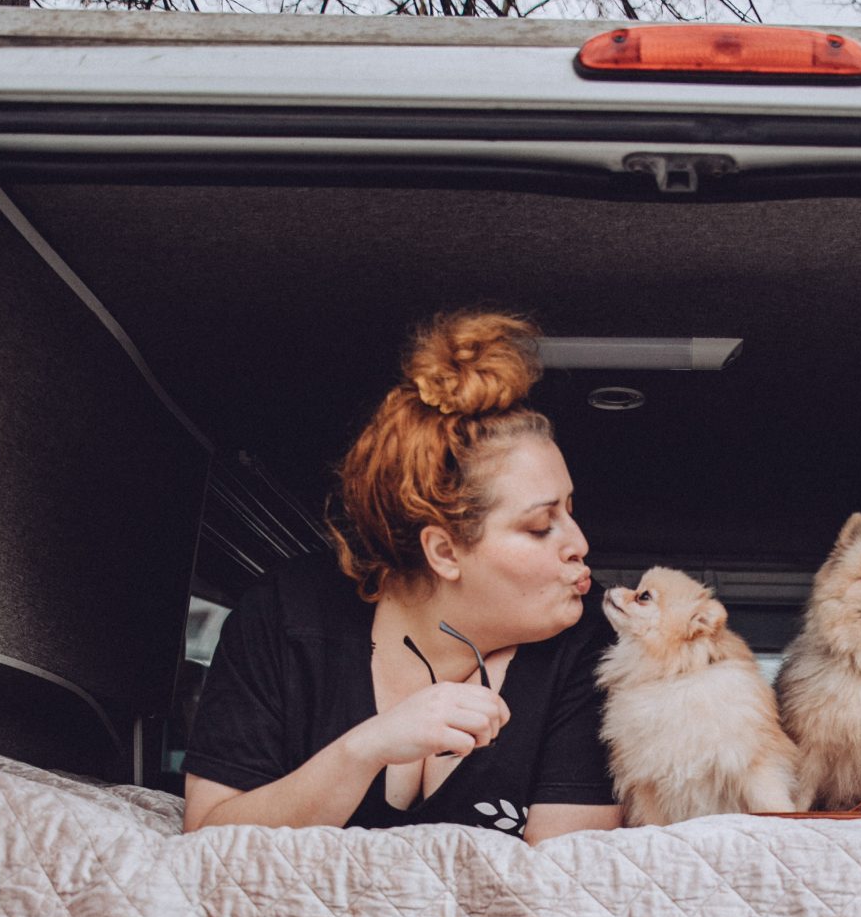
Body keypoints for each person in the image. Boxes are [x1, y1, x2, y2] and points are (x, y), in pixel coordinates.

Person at [183, 310, 621, 843]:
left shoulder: (591, 645)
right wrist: (364, 749)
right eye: (539, 526)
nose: (579, 545)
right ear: (444, 551)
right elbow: (209, 838)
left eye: (570, 512)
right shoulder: (284, 616)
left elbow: (566, 879)